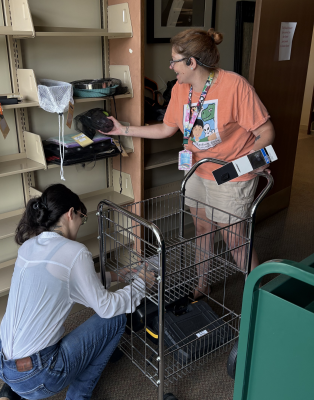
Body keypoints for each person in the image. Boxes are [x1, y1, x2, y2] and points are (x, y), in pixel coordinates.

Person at [104, 28, 275, 297]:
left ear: (191, 62)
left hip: (232, 175)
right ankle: (201, 285)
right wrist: (122, 130)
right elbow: (165, 129)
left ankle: (260, 297)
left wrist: (247, 163)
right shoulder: (181, 89)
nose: (171, 66)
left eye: (174, 60)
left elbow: (266, 132)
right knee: (202, 229)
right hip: (198, 171)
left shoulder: (234, 86)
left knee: (235, 240)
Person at [0, 184, 154, 400]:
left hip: (2, 363)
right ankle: (78, 396)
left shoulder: (29, 246)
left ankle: (10, 393)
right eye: (82, 217)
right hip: (39, 375)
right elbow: (106, 308)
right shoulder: (75, 252)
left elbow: (72, 283)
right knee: (115, 319)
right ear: (71, 213)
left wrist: (118, 275)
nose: (81, 224)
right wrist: (141, 284)